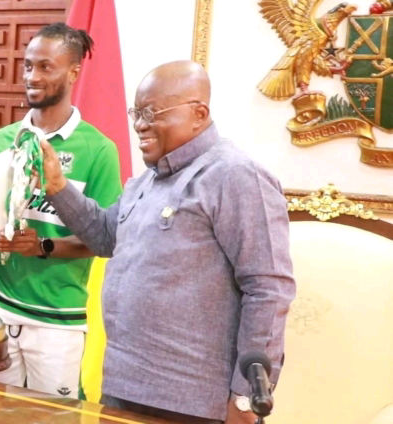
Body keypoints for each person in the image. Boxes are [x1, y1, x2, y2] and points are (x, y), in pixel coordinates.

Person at [36, 60, 296, 423]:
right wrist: (58, 187)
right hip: (123, 387)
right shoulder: (145, 181)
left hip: (193, 402)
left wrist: (244, 396)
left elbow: (268, 287)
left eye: (151, 113)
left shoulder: (234, 175)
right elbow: (105, 238)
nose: (139, 124)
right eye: (136, 113)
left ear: (198, 114)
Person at [0, 22, 122, 398]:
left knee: (52, 418)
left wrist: (41, 246)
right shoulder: (3, 139)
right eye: (28, 66)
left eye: (45, 67)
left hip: (56, 319)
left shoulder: (99, 150)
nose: (32, 76)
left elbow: (106, 238)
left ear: (73, 72)